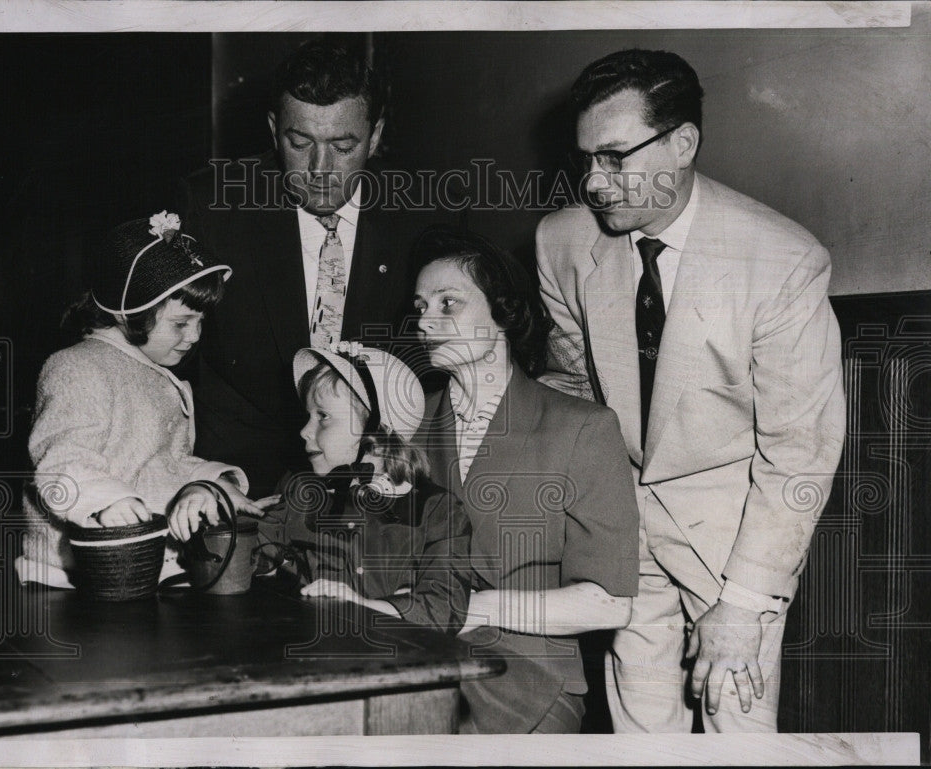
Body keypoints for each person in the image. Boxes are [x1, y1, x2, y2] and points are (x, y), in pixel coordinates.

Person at [535, 48, 846, 732]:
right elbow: (573, 387)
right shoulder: (561, 243)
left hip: (732, 539)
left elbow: (799, 452)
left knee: (738, 734)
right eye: (585, 158)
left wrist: (743, 602)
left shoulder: (781, 261)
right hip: (622, 529)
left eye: (615, 157)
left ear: (682, 143)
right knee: (641, 737)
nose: (593, 181)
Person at [181, 38, 441, 498]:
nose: (320, 169)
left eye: (343, 146)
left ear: (375, 136)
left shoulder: (426, 213)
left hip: (378, 475)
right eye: (299, 143)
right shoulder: (210, 208)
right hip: (238, 474)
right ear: (273, 129)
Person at [410, 226, 639, 733]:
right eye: (421, 306)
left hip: (529, 676)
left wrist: (472, 609)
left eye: (448, 303)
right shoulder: (410, 426)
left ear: (503, 312)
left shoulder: (583, 427)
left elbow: (610, 602)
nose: (425, 321)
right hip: (419, 665)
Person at [16, 211, 263, 588]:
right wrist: (105, 502)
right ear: (127, 312)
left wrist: (211, 482)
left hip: (140, 565)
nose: (195, 336)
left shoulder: (153, 373)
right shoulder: (77, 367)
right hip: (72, 577)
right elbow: (61, 461)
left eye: (200, 321)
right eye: (181, 323)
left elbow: (162, 465)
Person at [209, 342, 470, 632]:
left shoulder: (437, 511)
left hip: (396, 664)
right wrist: (209, 499)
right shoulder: (300, 494)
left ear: (377, 433)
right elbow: (240, 554)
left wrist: (361, 606)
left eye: (323, 417)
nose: (304, 431)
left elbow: (447, 607)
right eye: (309, 416)